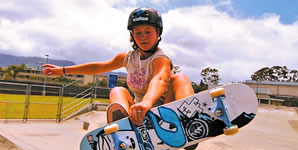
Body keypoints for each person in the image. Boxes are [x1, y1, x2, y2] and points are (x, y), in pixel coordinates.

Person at [43, 6, 194, 125]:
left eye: (148, 32)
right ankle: (123, 127)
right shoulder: (127, 58)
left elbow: (160, 80)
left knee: (180, 78)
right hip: (138, 113)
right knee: (117, 90)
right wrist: (63, 70)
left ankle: (190, 120)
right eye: (138, 33)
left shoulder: (160, 58)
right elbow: (98, 67)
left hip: (165, 110)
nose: (143, 37)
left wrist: (147, 102)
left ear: (158, 33)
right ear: (132, 35)